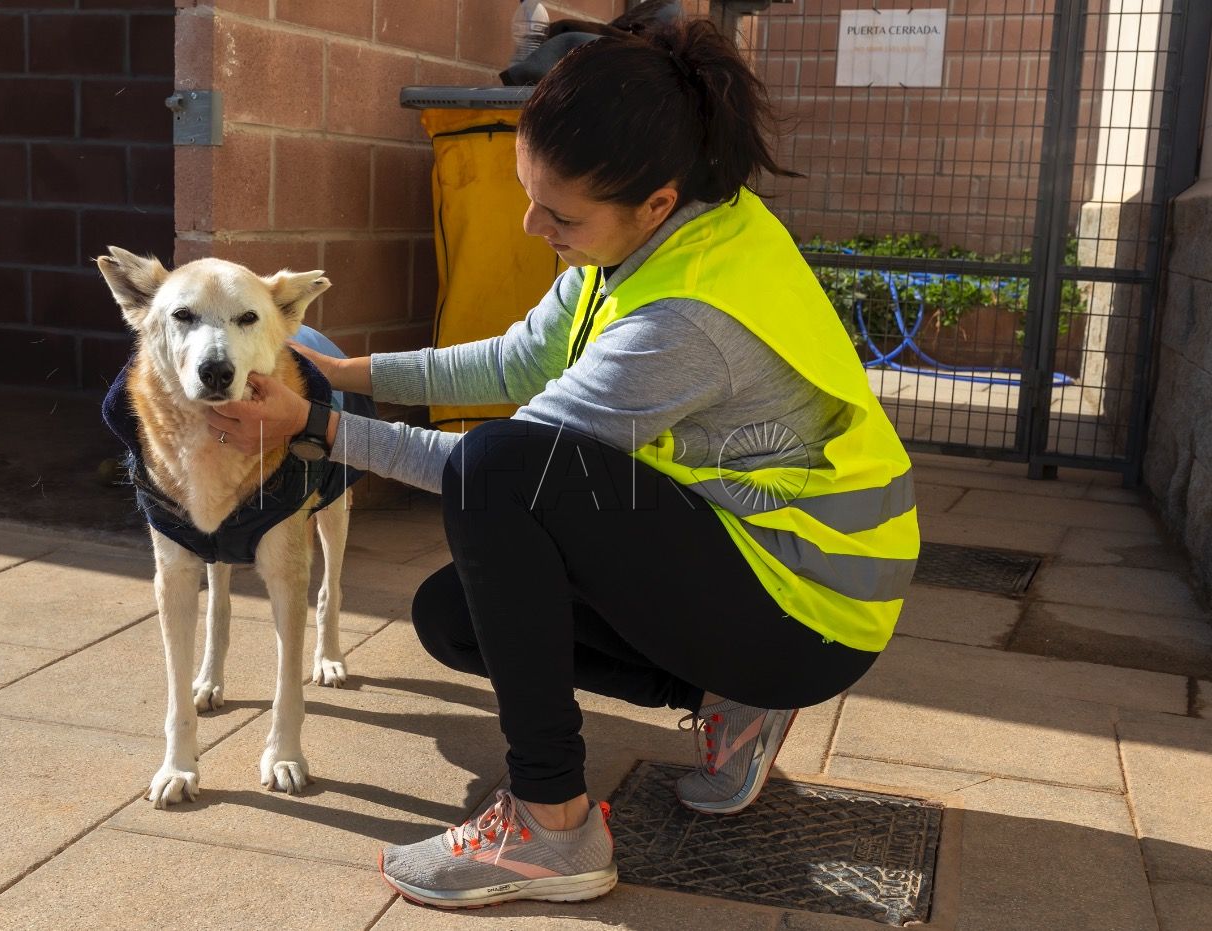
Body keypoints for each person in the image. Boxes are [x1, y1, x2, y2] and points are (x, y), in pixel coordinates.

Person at [206, 18, 920, 910]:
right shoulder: (661, 230)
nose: (532, 224)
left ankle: (554, 826)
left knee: (499, 473)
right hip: (767, 558)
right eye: (530, 194)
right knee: (455, 617)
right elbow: (520, 359)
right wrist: (346, 373)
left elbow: (492, 472)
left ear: (654, 203)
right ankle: (731, 697)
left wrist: (314, 425)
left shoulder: (686, 321)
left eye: (560, 215)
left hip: (814, 611)